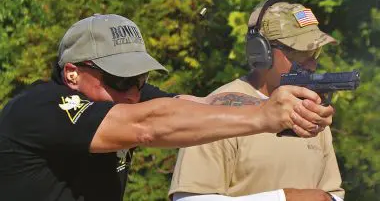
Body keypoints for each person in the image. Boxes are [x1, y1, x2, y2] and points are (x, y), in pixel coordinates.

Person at [0, 14, 333, 201]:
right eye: (119, 79)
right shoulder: (39, 109)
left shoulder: (127, 95)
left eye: (140, 78)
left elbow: (197, 105)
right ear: (72, 73)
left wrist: (282, 104)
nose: (133, 92)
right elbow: (146, 126)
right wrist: (263, 116)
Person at [169, 0, 344, 201]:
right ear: (261, 52)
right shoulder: (215, 112)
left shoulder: (311, 113)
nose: (312, 64)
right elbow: (189, 199)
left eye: (315, 52)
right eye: (299, 53)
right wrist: (284, 198)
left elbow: (331, 194)